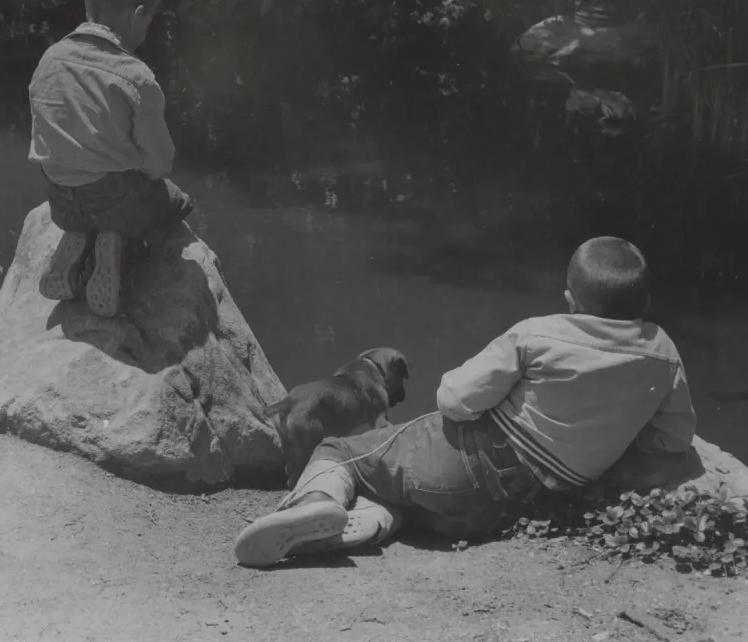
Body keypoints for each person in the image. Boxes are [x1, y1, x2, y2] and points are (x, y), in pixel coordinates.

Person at [234, 236, 697, 567]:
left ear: (570, 301)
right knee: (413, 500)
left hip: (466, 469)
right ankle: (367, 524)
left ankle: (314, 502)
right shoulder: (664, 355)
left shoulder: (538, 334)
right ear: (647, 302)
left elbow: (454, 399)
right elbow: (673, 439)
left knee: (342, 452)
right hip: (517, 508)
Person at [28, 0, 194, 318]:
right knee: (175, 203)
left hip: (60, 198)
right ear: (137, 16)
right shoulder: (136, 77)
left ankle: (79, 237)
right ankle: (116, 248)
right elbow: (159, 163)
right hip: (115, 199)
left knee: (93, 192)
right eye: (148, 20)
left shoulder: (50, 59)